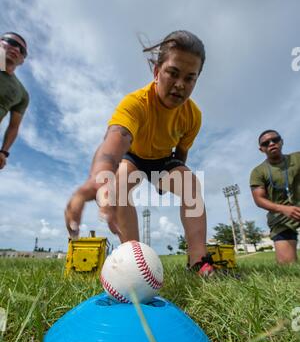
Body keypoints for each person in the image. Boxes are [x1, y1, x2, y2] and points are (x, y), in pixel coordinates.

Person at [65, 30, 214, 275]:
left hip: (163, 161)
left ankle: (199, 262)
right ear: (157, 72)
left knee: (191, 183)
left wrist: (168, 180)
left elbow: (182, 151)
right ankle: (132, 261)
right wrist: (100, 177)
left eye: (190, 78)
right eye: (173, 73)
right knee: (119, 181)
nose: (180, 85)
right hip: (133, 157)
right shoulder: (135, 103)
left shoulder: (193, 116)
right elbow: (118, 137)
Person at [250, 130, 300, 263]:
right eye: (266, 143)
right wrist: (283, 209)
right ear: (261, 149)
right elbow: (259, 199)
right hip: (282, 218)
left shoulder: (297, 158)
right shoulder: (258, 172)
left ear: (281, 141)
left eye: (275, 140)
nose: (271, 143)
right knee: (287, 266)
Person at [0, 32, 29, 170]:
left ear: (22, 60)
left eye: (22, 50)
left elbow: (14, 126)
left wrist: (4, 152)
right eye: (11, 42)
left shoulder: (22, 93)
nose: (16, 49)